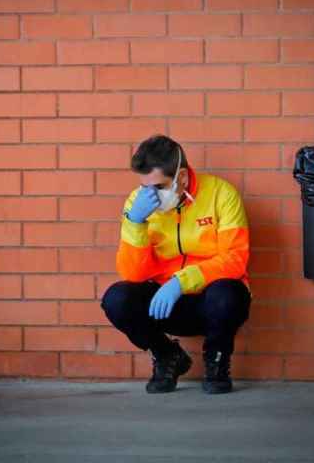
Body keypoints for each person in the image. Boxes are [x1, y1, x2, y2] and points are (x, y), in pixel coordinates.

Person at [101, 135, 251, 394]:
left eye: (158, 186)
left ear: (181, 178)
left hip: (212, 302)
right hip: (165, 304)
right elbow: (132, 274)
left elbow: (235, 259)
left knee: (229, 293)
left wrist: (182, 281)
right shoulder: (137, 204)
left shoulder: (221, 194)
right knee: (117, 298)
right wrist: (135, 222)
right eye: (144, 186)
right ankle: (167, 356)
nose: (150, 195)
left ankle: (216, 362)